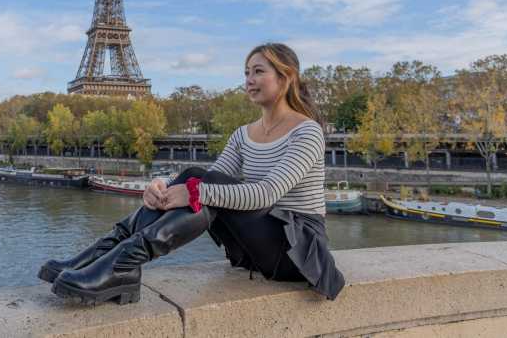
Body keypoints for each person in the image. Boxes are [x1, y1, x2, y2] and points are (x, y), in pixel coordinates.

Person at [38, 43, 345, 305]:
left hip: (297, 249)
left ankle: (121, 265)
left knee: (199, 182)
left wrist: (194, 190)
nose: (249, 80)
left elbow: (265, 194)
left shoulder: (306, 132)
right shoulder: (243, 134)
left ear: (286, 77)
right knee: (195, 176)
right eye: (246, 72)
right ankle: (110, 258)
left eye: (258, 71)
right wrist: (160, 190)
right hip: (258, 245)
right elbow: (212, 180)